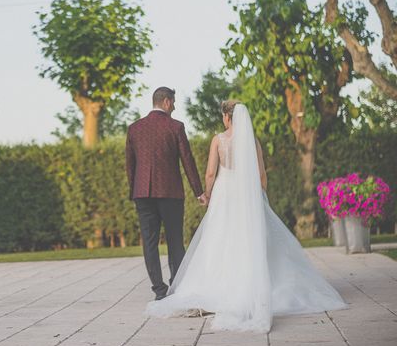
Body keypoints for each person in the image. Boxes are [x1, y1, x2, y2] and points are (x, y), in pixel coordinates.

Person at [145, 101, 347, 332]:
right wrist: (259, 199)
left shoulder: (218, 140)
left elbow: (211, 172)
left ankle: (215, 287)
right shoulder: (253, 141)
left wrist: (207, 195)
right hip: (247, 195)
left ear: (228, 117)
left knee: (219, 238)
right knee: (250, 239)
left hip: (224, 193)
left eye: (223, 116)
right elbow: (261, 176)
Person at [125, 87, 208, 301]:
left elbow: (130, 166)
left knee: (149, 242)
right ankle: (177, 286)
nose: (175, 107)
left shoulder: (134, 128)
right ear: (167, 102)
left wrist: (134, 191)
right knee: (175, 240)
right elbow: (187, 161)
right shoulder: (176, 127)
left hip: (142, 194)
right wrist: (199, 191)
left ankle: (159, 291)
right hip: (170, 192)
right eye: (174, 102)